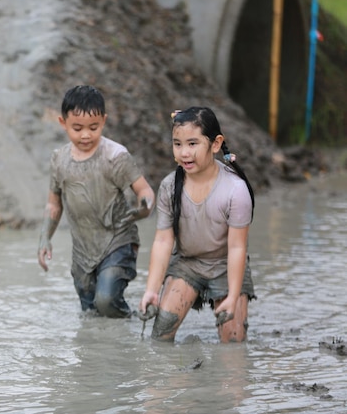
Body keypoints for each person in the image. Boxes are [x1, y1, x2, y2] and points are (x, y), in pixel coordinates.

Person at [139, 107, 256, 343]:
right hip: (188, 264)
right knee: (160, 335)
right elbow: (163, 241)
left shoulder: (235, 190)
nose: (184, 153)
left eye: (192, 143)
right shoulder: (170, 187)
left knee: (233, 343)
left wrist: (233, 296)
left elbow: (236, 248)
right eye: (178, 144)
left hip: (225, 264)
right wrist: (151, 290)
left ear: (215, 144)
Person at [37, 85, 155, 318]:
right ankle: (100, 350)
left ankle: (128, 327)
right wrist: (44, 238)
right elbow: (54, 204)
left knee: (106, 300)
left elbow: (145, 191)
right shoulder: (59, 160)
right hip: (83, 249)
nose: (85, 135)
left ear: (104, 121)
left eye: (94, 127)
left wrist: (144, 208)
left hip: (117, 241)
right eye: (77, 128)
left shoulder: (115, 156)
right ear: (63, 123)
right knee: (90, 312)